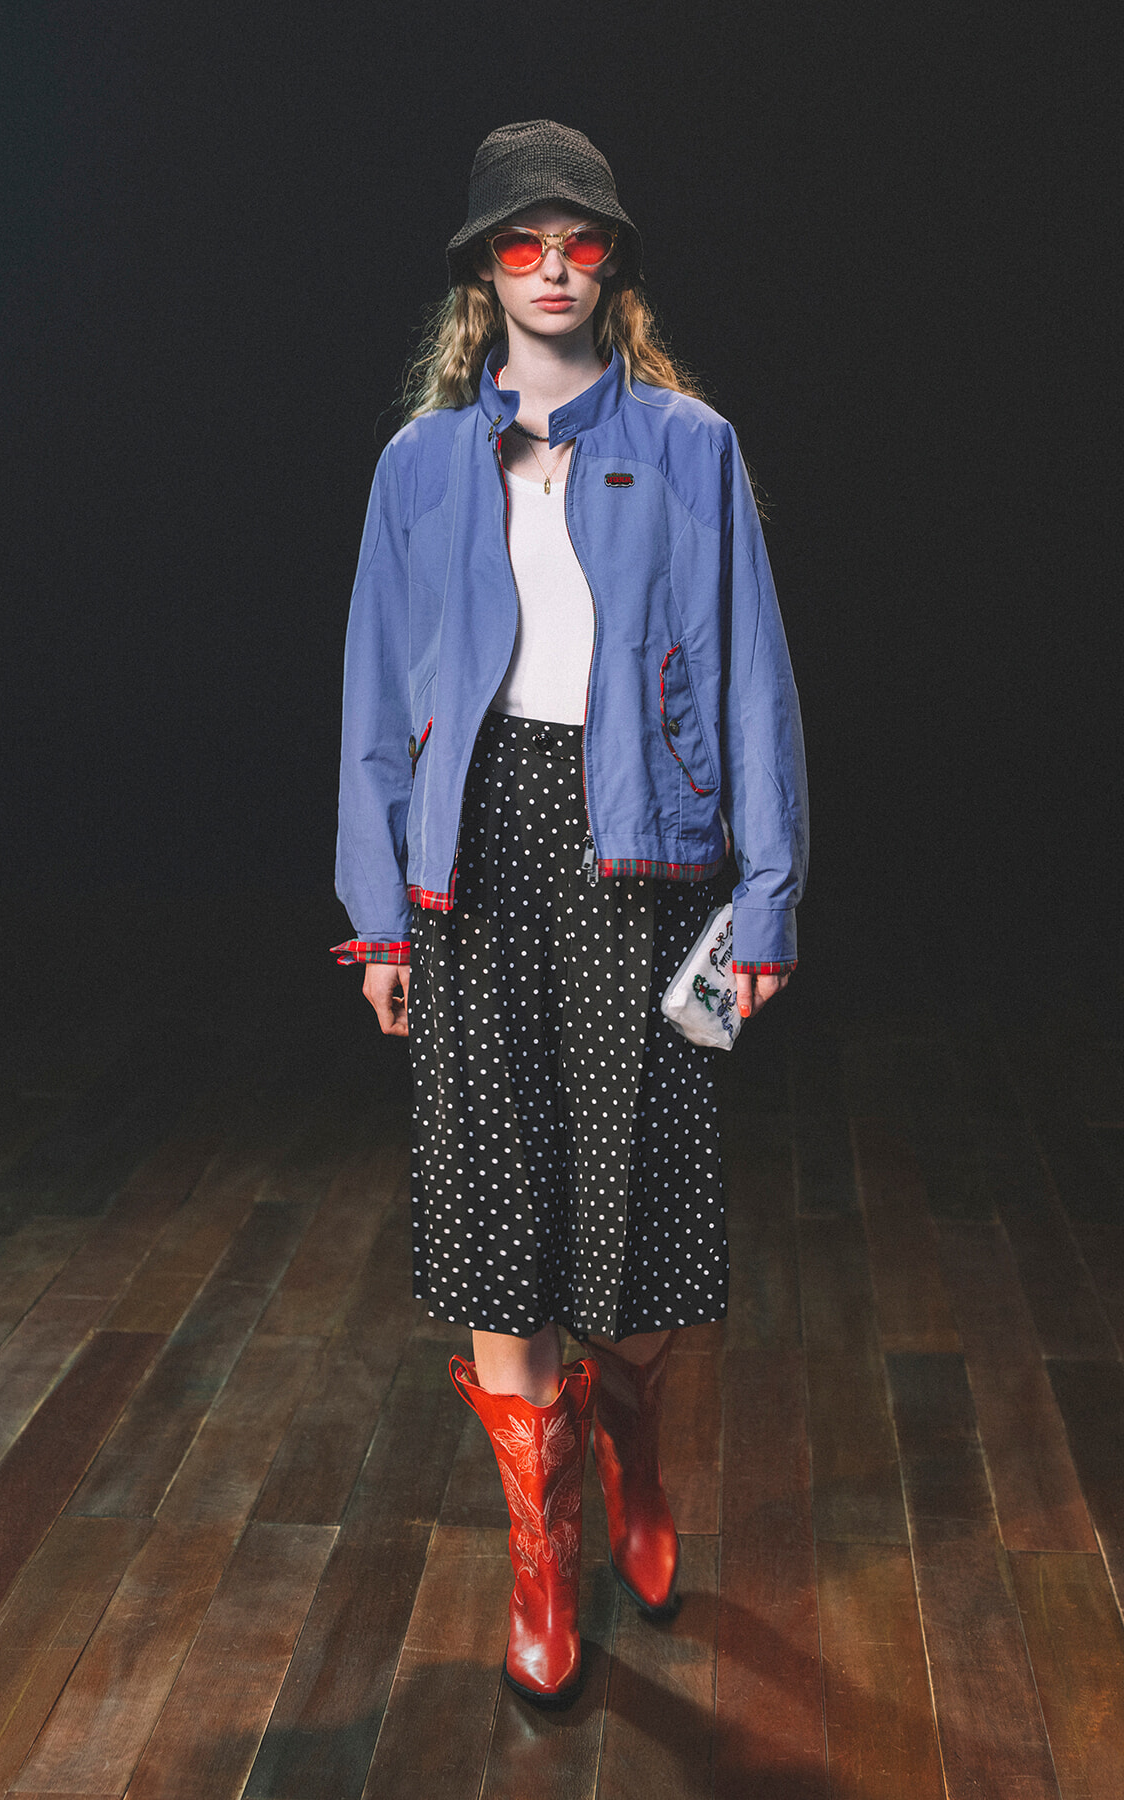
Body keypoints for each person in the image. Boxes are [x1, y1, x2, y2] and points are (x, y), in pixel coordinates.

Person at [333, 120, 808, 1708]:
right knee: (492, 1203)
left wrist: (771, 895)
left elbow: (753, 678)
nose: (551, 268)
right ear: (483, 270)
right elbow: (371, 698)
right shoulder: (416, 469)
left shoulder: (691, 445)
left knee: (643, 1211)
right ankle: (539, 1547)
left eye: (580, 241)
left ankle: (634, 1443)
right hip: (475, 863)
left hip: (645, 861)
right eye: (521, 244)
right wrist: (380, 913)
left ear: (613, 265)